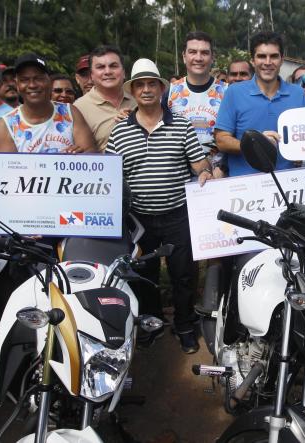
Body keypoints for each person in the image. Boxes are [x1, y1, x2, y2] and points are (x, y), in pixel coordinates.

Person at [106, 58, 213, 354]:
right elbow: (113, 175)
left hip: (178, 213)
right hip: (138, 218)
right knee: (144, 275)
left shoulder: (181, 125)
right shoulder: (120, 131)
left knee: (183, 274)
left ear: (161, 88)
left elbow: (197, 164)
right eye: (139, 84)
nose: (146, 89)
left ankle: (184, 325)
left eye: (151, 83)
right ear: (134, 91)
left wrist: (207, 170)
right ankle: (150, 324)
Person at [215, 31, 305, 177]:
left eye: (274, 56)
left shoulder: (298, 94)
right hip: (244, 186)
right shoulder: (234, 92)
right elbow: (221, 140)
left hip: (288, 184)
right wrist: (256, 145)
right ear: (252, 60)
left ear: (282, 59)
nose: (268, 62)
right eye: (261, 56)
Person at [0, 54, 95, 154]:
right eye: (24, 80)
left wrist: (79, 155)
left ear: (49, 82)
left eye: (39, 78)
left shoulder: (70, 113)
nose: (32, 85)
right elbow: (5, 169)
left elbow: (91, 156)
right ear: (17, 84)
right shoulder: (6, 125)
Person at [165, 31, 226, 176]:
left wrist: (224, 167)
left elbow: (236, 135)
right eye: (192, 52)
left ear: (212, 58)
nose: (198, 58)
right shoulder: (169, 93)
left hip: (219, 178)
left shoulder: (228, 92)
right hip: (178, 179)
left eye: (204, 53)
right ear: (184, 56)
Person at [74, 45, 136, 152]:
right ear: (92, 75)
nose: (107, 71)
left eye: (113, 66)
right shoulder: (77, 108)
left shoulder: (139, 102)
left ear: (124, 72)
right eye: (100, 67)